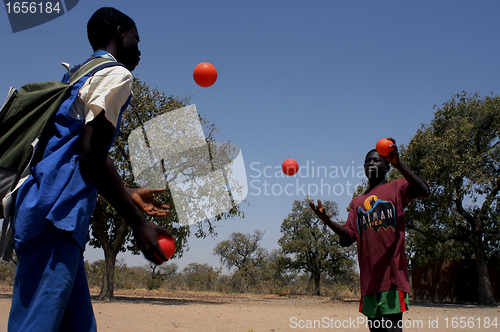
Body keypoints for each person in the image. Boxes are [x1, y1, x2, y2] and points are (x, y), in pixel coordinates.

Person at [8, 7, 174, 332]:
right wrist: (140, 225)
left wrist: (124, 190)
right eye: (136, 39)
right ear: (119, 34)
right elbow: (89, 155)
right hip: (56, 216)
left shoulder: (78, 74)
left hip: (47, 213)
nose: (139, 49)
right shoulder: (115, 74)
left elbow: (77, 152)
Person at [310, 138, 429, 332]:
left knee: (392, 330)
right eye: (367, 161)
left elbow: (424, 190)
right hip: (369, 281)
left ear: (387, 166)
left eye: (376, 160)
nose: (371, 164)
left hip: (392, 278)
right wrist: (327, 222)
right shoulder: (357, 202)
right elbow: (347, 238)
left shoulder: (397, 187)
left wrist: (398, 164)